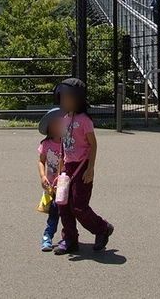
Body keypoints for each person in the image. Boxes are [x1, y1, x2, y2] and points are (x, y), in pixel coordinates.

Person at [52, 78, 114, 255]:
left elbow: (93, 145)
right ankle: (69, 239)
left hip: (82, 166)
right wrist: (60, 170)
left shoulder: (84, 120)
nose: (64, 101)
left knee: (79, 206)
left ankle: (102, 228)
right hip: (68, 167)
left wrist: (91, 168)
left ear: (77, 99)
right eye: (62, 98)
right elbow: (63, 145)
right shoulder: (64, 119)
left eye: (67, 98)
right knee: (63, 204)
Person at [36, 107, 63, 251]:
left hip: (65, 185)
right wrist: (42, 176)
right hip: (51, 186)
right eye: (55, 125)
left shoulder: (68, 143)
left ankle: (68, 236)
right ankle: (48, 236)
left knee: (66, 212)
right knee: (54, 212)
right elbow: (41, 161)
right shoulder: (46, 144)